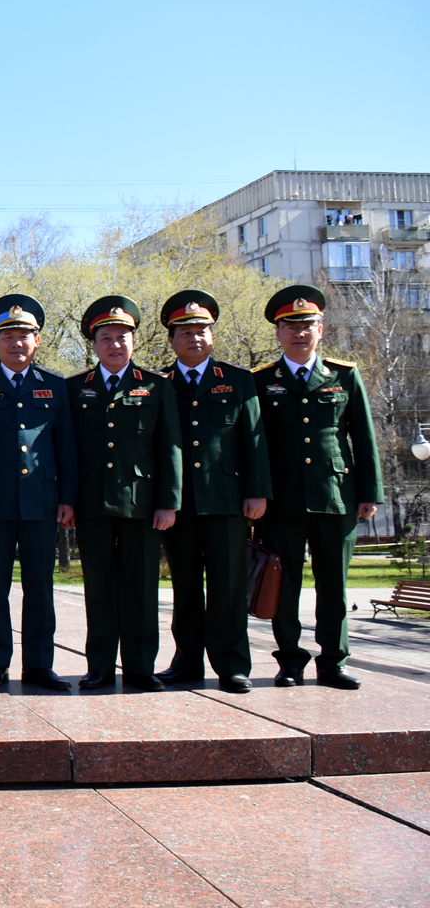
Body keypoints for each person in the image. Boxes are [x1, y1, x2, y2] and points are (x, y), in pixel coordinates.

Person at [252, 285, 381, 690]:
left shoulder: (344, 375)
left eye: (307, 325)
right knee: (283, 584)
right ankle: (289, 660)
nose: (299, 333)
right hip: (283, 501)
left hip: (335, 495)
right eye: (290, 326)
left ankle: (333, 661)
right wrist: (256, 493)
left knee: (334, 587)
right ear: (278, 333)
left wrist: (369, 493)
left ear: (320, 330)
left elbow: (363, 436)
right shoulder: (261, 381)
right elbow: (254, 444)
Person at [0, 295, 77, 691]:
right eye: (8, 335)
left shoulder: (56, 387)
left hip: (42, 501)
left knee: (40, 588)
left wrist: (68, 498)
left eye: (24, 335)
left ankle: (40, 666)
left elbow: (67, 448)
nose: (16, 342)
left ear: (37, 340)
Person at [155, 291, 271, 694]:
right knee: (185, 587)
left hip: (227, 500)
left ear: (212, 335)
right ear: (172, 339)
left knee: (227, 586)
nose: (195, 338)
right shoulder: (159, 384)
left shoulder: (238, 381)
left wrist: (258, 492)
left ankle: (231, 664)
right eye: (186, 332)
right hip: (179, 505)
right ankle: (186, 661)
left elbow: (255, 440)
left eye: (202, 330)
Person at [69, 296, 181, 692]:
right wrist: (67, 500)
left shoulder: (156, 385)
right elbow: (68, 451)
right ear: (93, 344)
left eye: (122, 337)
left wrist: (169, 501)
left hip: (143, 504)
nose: (115, 345)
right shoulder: (74, 388)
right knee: (98, 588)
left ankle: (139, 666)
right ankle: (98, 666)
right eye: (106, 338)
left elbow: (170, 446)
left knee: (142, 587)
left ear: (133, 342)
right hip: (91, 503)